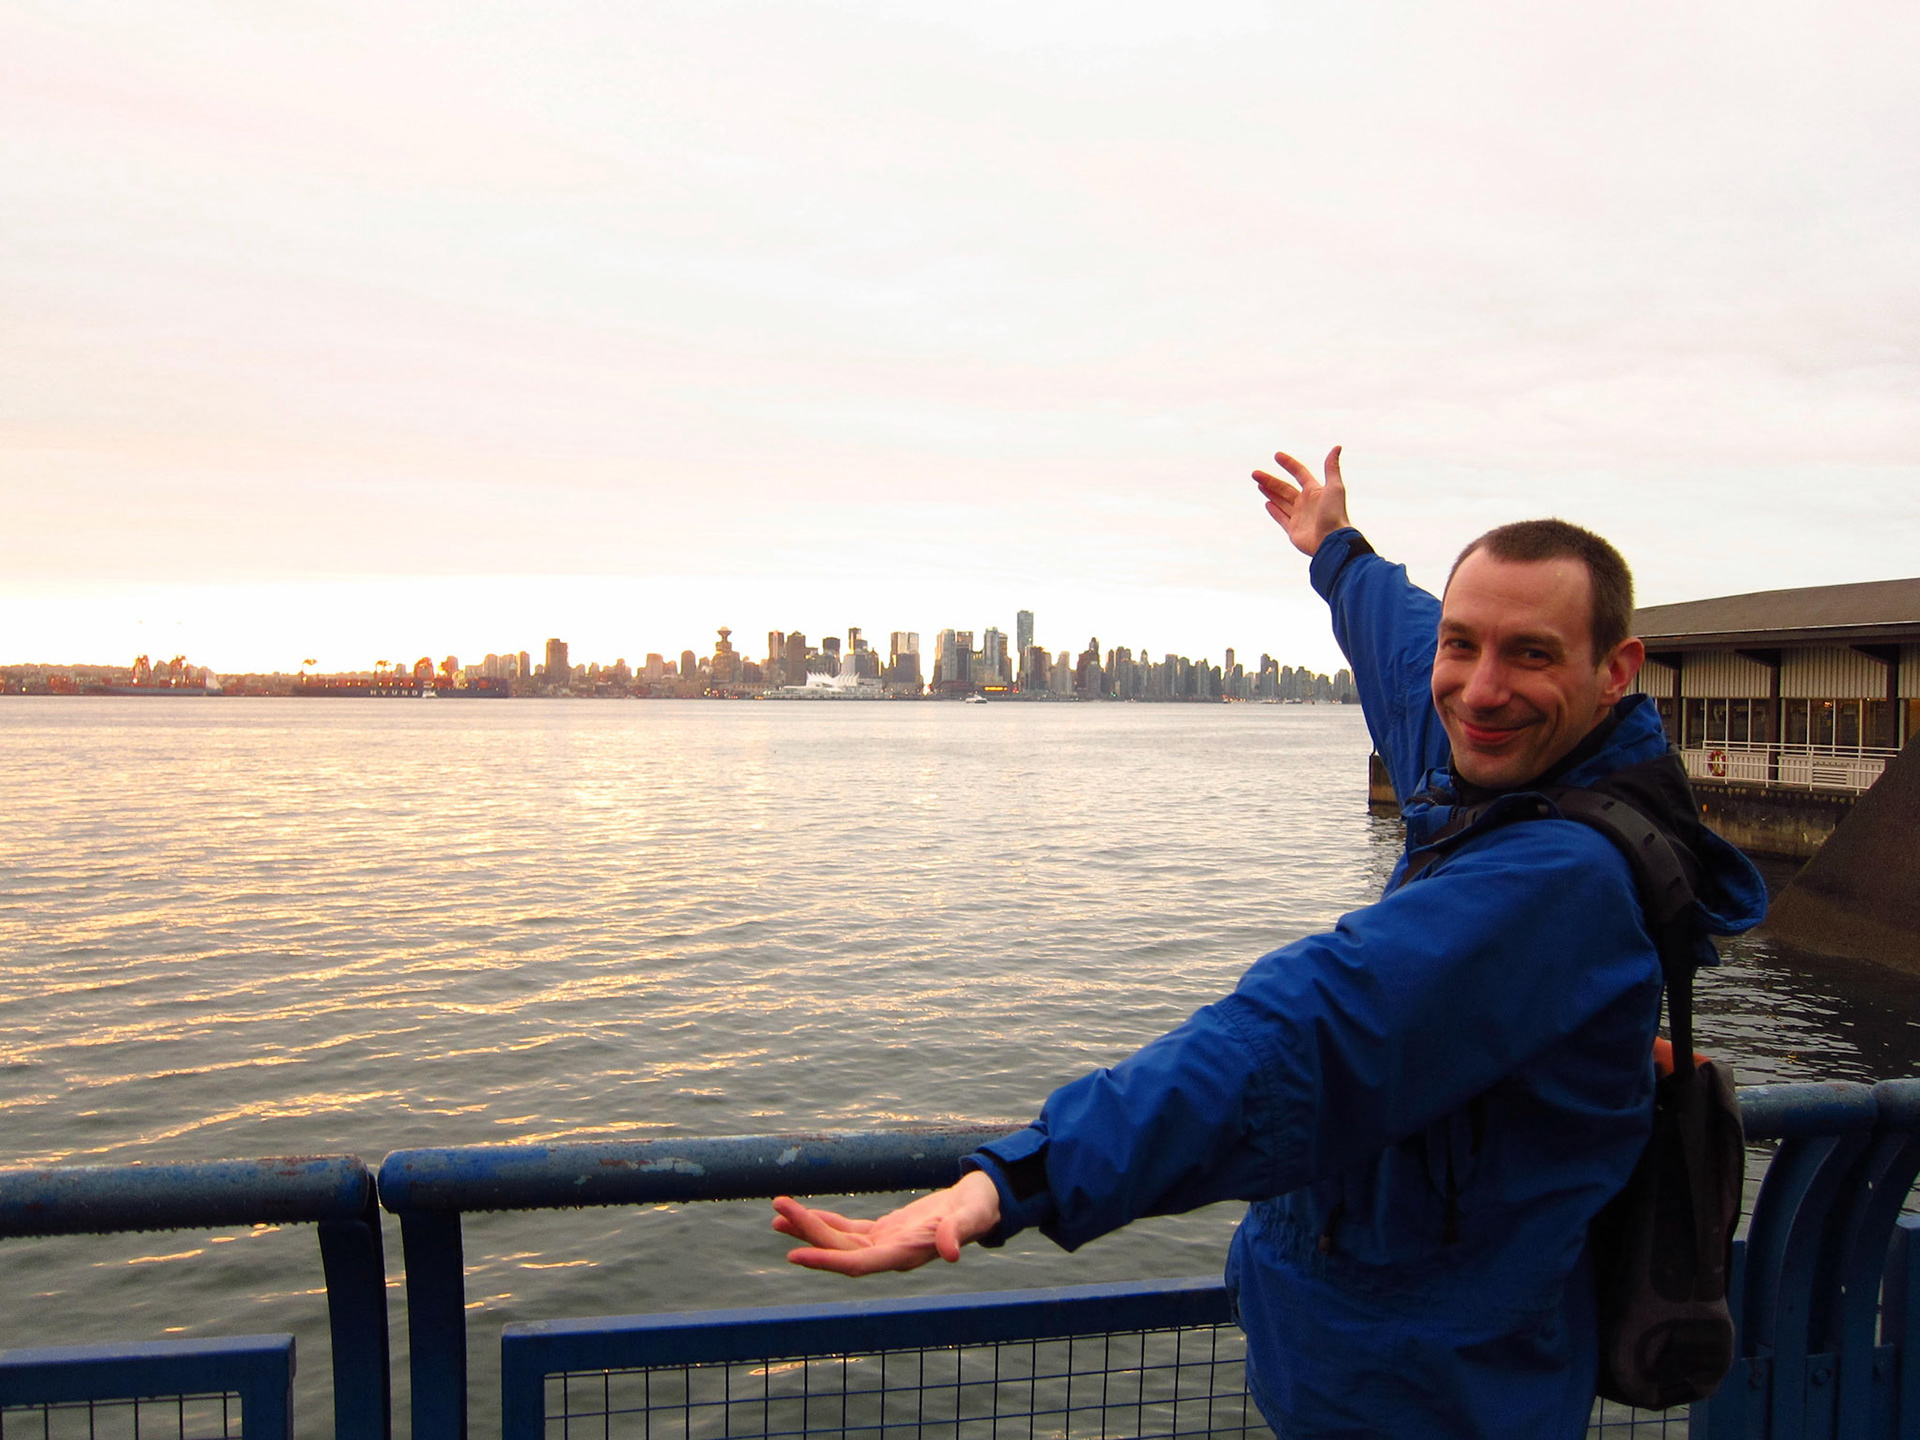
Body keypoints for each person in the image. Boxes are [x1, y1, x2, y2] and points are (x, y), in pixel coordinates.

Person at [772, 447, 1766, 1439]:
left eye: (1533, 654)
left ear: (1615, 670)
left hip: (1434, 1395)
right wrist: (1338, 550)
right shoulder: (1502, 770)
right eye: (1463, 645)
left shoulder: (1557, 877)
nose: (1479, 689)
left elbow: (1307, 1034)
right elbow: (1400, 647)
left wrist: (1022, 1176)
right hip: (1405, 1358)